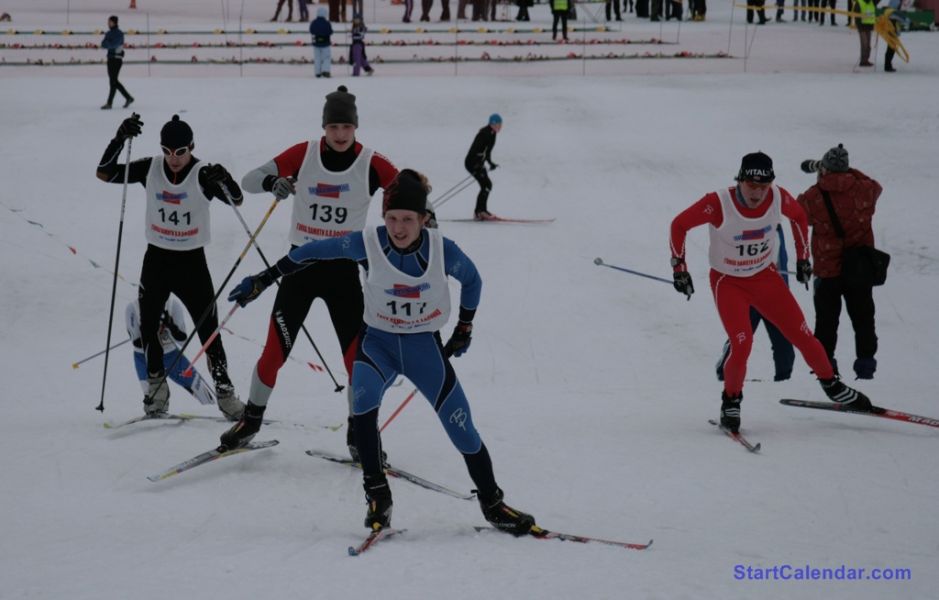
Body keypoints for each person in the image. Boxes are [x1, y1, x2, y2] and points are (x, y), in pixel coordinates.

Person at [224, 169, 537, 536]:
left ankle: (493, 504)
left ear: (424, 219)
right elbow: (312, 251)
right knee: (363, 409)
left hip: (424, 349)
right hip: (378, 347)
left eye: (408, 219)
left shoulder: (442, 250)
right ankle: (378, 497)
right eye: (391, 219)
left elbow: (473, 280)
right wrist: (264, 279)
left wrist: (464, 328)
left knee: (463, 429)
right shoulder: (368, 243)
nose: (399, 228)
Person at [232, 86, 398, 461]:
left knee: (357, 360)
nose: (340, 135)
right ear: (324, 127)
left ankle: (360, 434)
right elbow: (248, 180)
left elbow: (409, 192)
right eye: (333, 127)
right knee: (274, 351)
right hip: (300, 269)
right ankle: (250, 421)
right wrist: (271, 182)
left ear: (356, 128)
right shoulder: (304, 153)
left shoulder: (371, 162)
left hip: (343, 273)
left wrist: (420, 215)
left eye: (346, 127)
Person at [669, 151, 872, 433]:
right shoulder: (718, 203)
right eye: (751, 185)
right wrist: (680, 269)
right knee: (742, 344)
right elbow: (679, 224)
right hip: (729, 283)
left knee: (802, 335)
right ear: (740, 180)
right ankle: (731, 400)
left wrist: (803, 259)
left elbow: (799, 217)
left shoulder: (777, 197)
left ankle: (832, 385)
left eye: (763, 186)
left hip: (766, 279)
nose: (757, 193)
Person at [95, 114, 246, 421]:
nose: (173, 159)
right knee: (148, 326)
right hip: (157, 260)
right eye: (167, 151)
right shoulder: (150, 167)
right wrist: (119, 137)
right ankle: (156, 390)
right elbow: (104, 173)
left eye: (180, 152)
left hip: (192, 263)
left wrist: (225, 178)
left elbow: (237, 200)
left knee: (209, 332)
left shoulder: (202, 173)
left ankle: (226, 394)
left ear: (191, 147)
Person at [797, 144, 883, 379]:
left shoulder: (814, 196)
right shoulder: (865, 189)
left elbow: (799, 212)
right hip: (860, 269)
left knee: (826, 322)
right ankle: (866, 367)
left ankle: (826, 370)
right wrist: (847, 172)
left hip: (827, 271)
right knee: (864, 319)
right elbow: (875, 185)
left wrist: (820, 176)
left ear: (824, 169)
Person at [715, 224, 795, 383]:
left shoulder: (777, 230)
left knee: (784, 343)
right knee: (742, 338)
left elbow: (781, 261)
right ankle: (724, 371)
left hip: (775, 296)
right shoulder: (749, 228)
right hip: (750, 293)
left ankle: (784, 379)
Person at [126, 297, 216, 408]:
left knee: (201, 390)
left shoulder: (173, 305)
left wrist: (170, 326)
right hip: (145, 358)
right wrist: (151, 331)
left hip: (171, 355)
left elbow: (183, 341)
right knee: (153, 400)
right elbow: (136, 344)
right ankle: (157, 407)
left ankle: (213, 409)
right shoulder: (132, 308)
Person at [464, 113, 502, 221]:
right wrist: (477, 163)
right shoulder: (484, 133)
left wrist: (491, 163)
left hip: (479, 163)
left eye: (501, 125)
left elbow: (487, 152)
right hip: (472, 162)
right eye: (499, 124)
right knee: (486, 185)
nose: (500, 127)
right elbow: (475, 149)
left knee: (487, 185)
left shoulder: (493, 134)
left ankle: (481, 211)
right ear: (493, 123)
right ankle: (480, 212)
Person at [100, 15, 133, 110]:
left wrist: (109, 43)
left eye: (110, 22)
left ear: (115, 22)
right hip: (110, 59)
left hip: (117, 59)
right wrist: (109, 44)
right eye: (108, 22)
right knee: (113, 81)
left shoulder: (119, 34)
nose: (108, 23)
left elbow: (114, 44)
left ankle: (110, 103)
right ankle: (128, 98)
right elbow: (103, 44)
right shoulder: (108, 33)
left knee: (113, 81)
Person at [883, 0, 910, 72]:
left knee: (891, 48)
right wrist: (909, 22)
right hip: (891, 31)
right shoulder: (892, 12)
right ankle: (887, 66)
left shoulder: (889, 11)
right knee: (891, 49)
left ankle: (888, 65)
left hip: (891, 31)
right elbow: (902, 19)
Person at [310, 7, 333, 78]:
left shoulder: (314, 22)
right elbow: (330, 31)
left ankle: (317, 72)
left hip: (316, 43)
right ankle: (325, 71)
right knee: (326, 57)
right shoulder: (327, 23)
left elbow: (311, 30)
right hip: (325, 43)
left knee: (317, 58)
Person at [855, 0, 876, 67]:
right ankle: (863, 61)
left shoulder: (872, 2)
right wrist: (859, 26)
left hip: (869, 26)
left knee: (868, 45)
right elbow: (857, 16)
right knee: (864, 44)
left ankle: (866, 60)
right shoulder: (859, 2)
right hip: (862, 27)